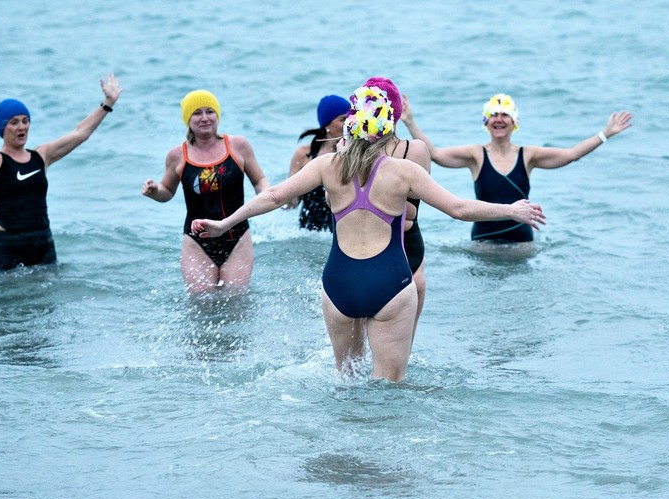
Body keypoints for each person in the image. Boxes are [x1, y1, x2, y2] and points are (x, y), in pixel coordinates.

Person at [190, 80, 545, 382]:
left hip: (338, 286)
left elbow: (273, 195)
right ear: (388, 127)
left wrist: (224, 223)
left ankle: (342, 453)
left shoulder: (328, 165)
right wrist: (511, 209)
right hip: (389, 284)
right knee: (389, 390)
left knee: (346, 382)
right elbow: (459, 208)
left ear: (350, 125)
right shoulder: (403, 171)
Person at [0, 74, 123, 271]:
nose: (22, 126)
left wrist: (108, 103)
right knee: (2, 300)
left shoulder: (41, 156)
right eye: (14, 122)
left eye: (25, 121)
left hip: (41, 241)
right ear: (2, 127)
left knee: (45, 300)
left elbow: (79, 134)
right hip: (5, 244)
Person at [401, 93, 632, 248]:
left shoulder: (528, 156)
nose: (499, 119)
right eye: (494, 115)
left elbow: (571, 155)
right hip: (483, 243)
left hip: (522, 244)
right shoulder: (475, 155)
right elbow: (437, 155)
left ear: (514, 122)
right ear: (486, 121)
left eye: (505, 115)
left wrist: (606, 133)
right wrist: (410, 121)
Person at [141, 90, 270, 295]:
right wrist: (154, 191)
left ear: (217, 115)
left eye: (210, 111)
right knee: (201, 303)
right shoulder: (177, 155)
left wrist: (267, 195)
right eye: (197, 113)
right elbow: (167, 191)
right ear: (187, 119)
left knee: (235, 300)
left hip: (236, 235)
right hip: (196, 240)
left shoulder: (238, 146)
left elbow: (259, 180)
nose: (204, 118)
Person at [362, 77, 432, 339]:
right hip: (362, 245)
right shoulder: (351, 151)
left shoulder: (415, 150)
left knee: (402, 351)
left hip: (406, 245)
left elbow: (411, 209)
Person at [286, 94, 351, 231]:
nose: (349, 124)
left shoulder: (354, 153)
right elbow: (292, 201)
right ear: (326, 124)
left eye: (350, 118)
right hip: (309, 231)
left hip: (344, 229)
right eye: (343, 119)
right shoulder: (303, 155)